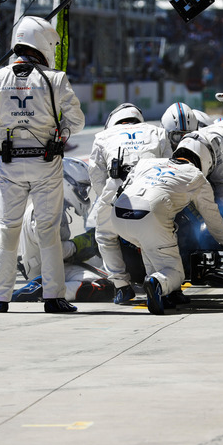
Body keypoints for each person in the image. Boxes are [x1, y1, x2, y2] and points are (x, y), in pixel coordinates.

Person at [0, 16, 85, 313]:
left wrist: (3, 133)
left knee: (7, 229)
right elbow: (77, 120)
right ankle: (53, 297)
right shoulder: (55, 78)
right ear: (44, 43)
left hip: (9, 163)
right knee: (48, 231)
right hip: (46, 161)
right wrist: (59, 134)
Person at [95, 137, 223, 315]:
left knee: (150, 247)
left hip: (119, 215)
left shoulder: (146, 162)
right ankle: (158, 283)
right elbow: (212, 218)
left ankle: (164, 295)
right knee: (174, 273)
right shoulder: (196, 177)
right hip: (149, 218)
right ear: (205, 160)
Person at [88, 102, 169, 303]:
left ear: (113, 120)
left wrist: (108, 201)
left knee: (105, 236)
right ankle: (160, 284)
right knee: (153, 238)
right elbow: (169, 165)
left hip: (117, 187)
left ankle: (122, 286)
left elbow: (96, 176)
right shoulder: (158, 132)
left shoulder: (103, 137)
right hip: (152, 185)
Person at [14, 157, 109, 303]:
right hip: (45, 269)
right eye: (81, 188)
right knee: (102, 287)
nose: (83, 192)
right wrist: (79, 245)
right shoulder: (46, 209)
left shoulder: (53, 206)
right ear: (65, 182)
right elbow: (49, 250)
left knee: (106, 278)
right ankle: (41, 290)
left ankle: (46, 288)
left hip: (56, 265)